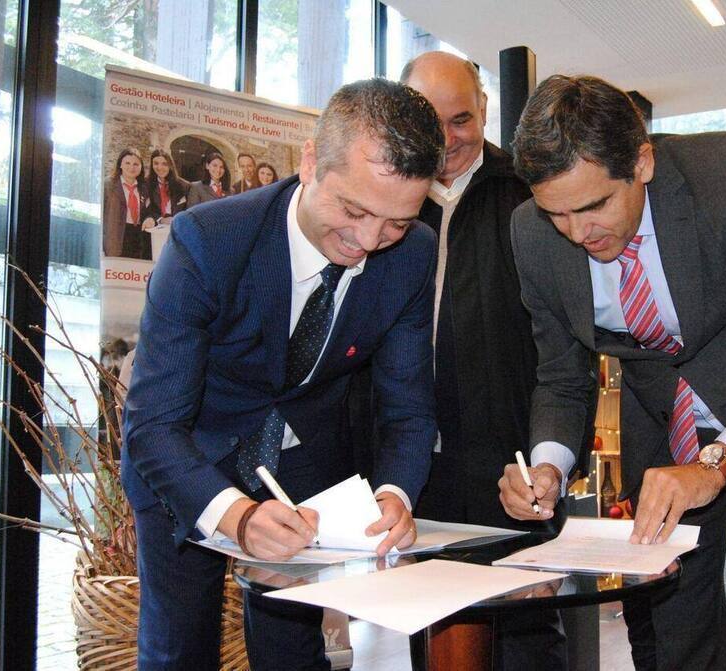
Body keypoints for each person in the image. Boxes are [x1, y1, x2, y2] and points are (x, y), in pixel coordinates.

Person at [499, 75, 726, 671]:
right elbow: (561, 375)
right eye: (557, 213)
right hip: (665, 433)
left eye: (593, 206)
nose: (578, 233)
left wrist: (717, 464)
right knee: (680, 634)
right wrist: (547, 468)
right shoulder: (531, 233)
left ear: (642, 163)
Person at [122, 78, 445, 670]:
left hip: (306, 465)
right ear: (309, 163)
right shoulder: (209, 240)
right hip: (190, 458)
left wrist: (395, 494)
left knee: (294, 653)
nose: (368, 241)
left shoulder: (413, 252)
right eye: (354, 210)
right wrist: (239, 517)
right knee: (178, 649)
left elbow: (408, 406)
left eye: (396, 222)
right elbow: (152, 426)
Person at [395, 51, 570, 671]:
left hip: (510, 464)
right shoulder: (388, 197)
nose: (446, 139)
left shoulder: (528, 193)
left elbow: (561, 348)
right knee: (435, 634)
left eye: (461, 119)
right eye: (429, 121)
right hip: (416, 466)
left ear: (485, 110)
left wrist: (549, 453)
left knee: (527, 632)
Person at [103, 147, 153, 259]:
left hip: (138, 239)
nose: (131, 167)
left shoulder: (144, 188)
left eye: (136, 164)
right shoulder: (108, 185)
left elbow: (148, 211)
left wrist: (150, 218)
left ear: (141, 167)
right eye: (127, 163)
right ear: (120, 164)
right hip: (115, 240)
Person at [143, 148, 190, 227]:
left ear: (170, 165)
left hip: (178, 227)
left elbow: (189, 211)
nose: (159, 167)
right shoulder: (146, 184)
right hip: (155, 229)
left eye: (164, 164)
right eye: (156, 163)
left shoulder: (185, 186)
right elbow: (146, 210)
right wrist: (160, 220)